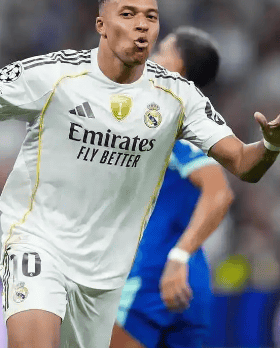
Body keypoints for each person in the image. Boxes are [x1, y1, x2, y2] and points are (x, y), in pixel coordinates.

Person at [0, 0, 280, 348]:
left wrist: (270, 145)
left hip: (107, 270)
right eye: (128, 14)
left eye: (151, 17)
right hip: (40, 242)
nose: (142, 25)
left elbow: (242, 164)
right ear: (101, 24)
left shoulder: (177, 98)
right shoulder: (55, 75)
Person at [110, 27, 233, 348]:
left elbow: (219, 192)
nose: (153, 56)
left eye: (163, 50)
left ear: (178, 67)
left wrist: (177, 256)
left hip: (153, 275)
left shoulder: (173, 122)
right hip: (191, 279)